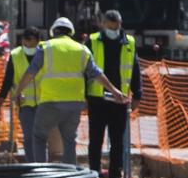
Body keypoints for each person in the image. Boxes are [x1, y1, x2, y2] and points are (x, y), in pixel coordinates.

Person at [17, 16, 127, 166]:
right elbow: (96, 74)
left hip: (50, 102)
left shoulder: (46, 47)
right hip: (74, 104)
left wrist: (18, 91)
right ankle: (70, 176)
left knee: (39, 135)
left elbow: (31, 72)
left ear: (53, 32)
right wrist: (114, 90)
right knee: (69, 140)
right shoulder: (82, 49)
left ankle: (40, 172)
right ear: (71, 32)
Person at [86, 9, 138, 178]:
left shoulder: (129, 43)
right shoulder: (92, 41)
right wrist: (83, 95)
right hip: (97, 99)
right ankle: (94, 175)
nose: (113, 30)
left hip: (119, 101)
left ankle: (115, 177)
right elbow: (84, 70)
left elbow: (135, 69)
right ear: (103, 24)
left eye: (116, 27)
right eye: (110, 26)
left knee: (117, 141)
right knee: (96, 140)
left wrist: (137, 93)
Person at [0, 27, 45, 162]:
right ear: (22, 41)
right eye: (26, 42)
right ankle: (31, 165)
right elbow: (8, 81)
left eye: (32, 43)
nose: (28, 46)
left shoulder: (45, 54)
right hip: (24, 104)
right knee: (28, 137)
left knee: (40, 137)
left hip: (44, 103)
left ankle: (43, 166)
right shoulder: (15, 55)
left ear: (38, 41)